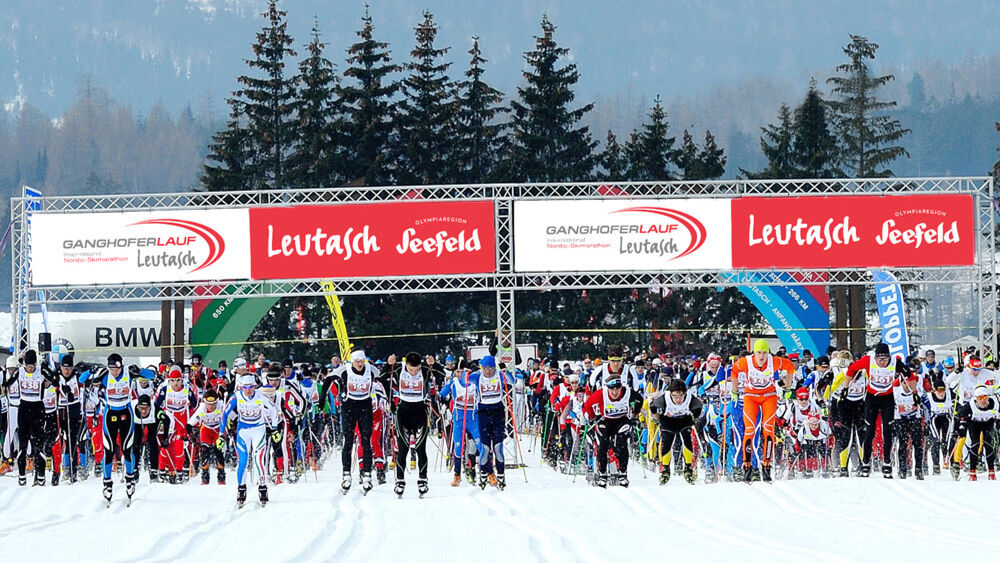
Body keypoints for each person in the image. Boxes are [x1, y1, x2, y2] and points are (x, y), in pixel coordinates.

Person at [730, 339, 795, 482]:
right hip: (751, 397)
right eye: (759, 353)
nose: (761, 357)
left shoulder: (774, 361)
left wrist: (788, 386)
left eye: (764, 353)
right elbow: (734, 370)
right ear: (754, 353)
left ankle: (766, 466)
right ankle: (747, 467)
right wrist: (735, 390)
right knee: (750, 430)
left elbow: (790, 366)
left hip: (768, 396)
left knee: (768, 429)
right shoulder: (746, 362)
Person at [95, 353, 155, 504]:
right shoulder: (105, 374)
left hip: (126, 414)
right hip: (109, 415)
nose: (114, 372)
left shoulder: (129, 372)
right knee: (108, 450)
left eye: (117, 369)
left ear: (121, 366)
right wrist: (90, 372)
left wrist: (140, 371)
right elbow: (83, 379)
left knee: (127, 449)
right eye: (112, 369)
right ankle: (107, 483)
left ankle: (130, 478)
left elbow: (152, 375)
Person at [846, 342, 911, 478]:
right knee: (869, 431)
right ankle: (865, 463)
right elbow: (851, 370)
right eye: (879, 359)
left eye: (885, 359)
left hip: (887, 398)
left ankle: (887, 463)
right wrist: (846, 388)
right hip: (871, 399)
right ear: (875, 357)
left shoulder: (895, 362)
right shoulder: (868, 361)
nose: (882, 362)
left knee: (887, 431)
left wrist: (913, 392)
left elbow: (909, 375)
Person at [323, 350, 378, 494]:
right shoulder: (344, 370)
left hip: (365, 407)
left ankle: (367, 474)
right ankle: (346, 474)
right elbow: (327, 380)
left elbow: (385, 377)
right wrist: (322, 401)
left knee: (366, 442)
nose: (360, 364)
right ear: (352, 361)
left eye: (362, 361)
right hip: (349, 407)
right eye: (357, 361)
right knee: (348, 441)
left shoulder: (371, 370)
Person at [221, 374, 279, 506]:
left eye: (251, 387)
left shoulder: (261, 395)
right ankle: (241, 489)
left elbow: (273, 411)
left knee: (259, 459)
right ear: (241, 387)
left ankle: (263, 488)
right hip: (243, 431)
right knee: (243, 461)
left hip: (259, 429)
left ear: (255, 386)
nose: (248, 390)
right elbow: (224, 414)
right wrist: (221, 433)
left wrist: (274, 428)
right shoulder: (237, 396)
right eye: (245, 387)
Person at [582, 370, 641, 488]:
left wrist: (635, 414)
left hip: (621, 420)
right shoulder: (600, 394)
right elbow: (586, 407)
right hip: (604, 420)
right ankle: (602, 474)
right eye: (612, 388)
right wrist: (591, 418)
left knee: (621, 442)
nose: (615, 392)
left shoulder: (628, 393)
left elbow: (640, 400)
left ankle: (622, 474)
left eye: (617, 388)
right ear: (607, 388)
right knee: (602, 444)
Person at [391, 352, 432, 497]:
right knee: (403, 449)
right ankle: (400, 480)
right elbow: (382, 376)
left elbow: (439, 373)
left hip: (420, 412)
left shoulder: (425, 370)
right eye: (411, 369)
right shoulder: (398, 370)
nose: (414, 372)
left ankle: (422, 479)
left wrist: (432, 363)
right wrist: (389, 363)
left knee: (421, 449)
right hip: (403, 413)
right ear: (406, 365)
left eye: (416, 370)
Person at [650, 378, 703, 485]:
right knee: (667, 441)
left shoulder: (690, 398)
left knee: (687, 440)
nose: (678, 399)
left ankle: (688, 469)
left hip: (684, 420)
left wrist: (695, 418)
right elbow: (652, 406)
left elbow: (699, 407)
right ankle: (665, 470)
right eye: (675, 396)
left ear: (685, 394)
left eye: (680, 396)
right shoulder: (664, 398)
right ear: (670, 393)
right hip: (668, 421)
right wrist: (656, 418)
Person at [439, 359, 483, 487]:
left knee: (478, 446)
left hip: (473, 420)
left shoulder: (474, 383)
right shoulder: (453, 383)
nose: (459, 374)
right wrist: (442, 403)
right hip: (459, 420)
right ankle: (457, 474)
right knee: (458, 448)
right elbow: (442, 395)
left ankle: (483, 471)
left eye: (462, 371)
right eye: (457, 371)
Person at [475, 355, 514, 490]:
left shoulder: (499, 375)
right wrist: (466, 370)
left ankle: (501, 474)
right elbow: (463, 380)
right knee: (485, 448)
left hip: (498, 411)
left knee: (497, 447)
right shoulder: (477, 376)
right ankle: (483, 473)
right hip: (483, 413)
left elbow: (512, 381)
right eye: (485, 368)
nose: (488, 371)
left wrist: (504, 370)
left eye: (490, 368)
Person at [15, 350, 53, 487]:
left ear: (35, 364)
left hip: (38, 408)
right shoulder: (20, 371)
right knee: (23, 444)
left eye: (32, 366)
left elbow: (54, 378)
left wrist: (49, 378)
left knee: (39, 444)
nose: (29, 368)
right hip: (24, 408)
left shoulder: (40, 370)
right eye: (27, 365)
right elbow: (8, 382)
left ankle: (41, 474)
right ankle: (21, 475)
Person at [154, 365, 198, 483]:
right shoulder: (165, 389)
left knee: (180, 446)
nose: (175, 383)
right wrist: (160, 418)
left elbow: (195, 405)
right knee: (165, 444)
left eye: (178, 380)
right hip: (169, 418)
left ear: (182, 379)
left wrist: (193, 423)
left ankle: (179, 471)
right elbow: (156, 406)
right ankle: (162, 469)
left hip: (182, 419)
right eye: (172, 380)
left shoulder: (187, 389)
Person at [953, 385, 998, 481]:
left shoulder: (995, 404)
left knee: (988, 443)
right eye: (980, 398)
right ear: (976, 398)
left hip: (988, 423)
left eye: (985, 397)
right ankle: (972, 471)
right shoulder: (970, 405)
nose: (983, 400)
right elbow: (959, 415)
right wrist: (959, 428)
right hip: (974, 424)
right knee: (975, 443)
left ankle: (991, 471)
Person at [189, 389, 226, 485]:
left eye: (214, 403)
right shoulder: (202, 409)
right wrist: (191, 435)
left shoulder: (221, 406)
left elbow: (231, 415)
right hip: (206, 429)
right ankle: (205, 477)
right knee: (204, 452)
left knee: (219, 451)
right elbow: (189, 424)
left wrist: (232, 426)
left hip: (218, 429)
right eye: (208, 404)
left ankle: (221, 476)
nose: (211, 406)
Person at [892, 373, 925, 479]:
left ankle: (919, 469)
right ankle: (902, 469)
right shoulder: (896, 392)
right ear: (901, 383)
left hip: (914, 418)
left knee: (918, 444)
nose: (907, 385)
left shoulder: (917, 391)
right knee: (903, 443)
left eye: (909, 382)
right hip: (900, 419)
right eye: (905, 383)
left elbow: (925, 404)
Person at [925, 375, 954, 476]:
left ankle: (950, 461)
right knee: (935, 440)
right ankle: (936, 465)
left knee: (948, 440)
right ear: (934, 390)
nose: (941, 393)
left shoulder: (950, 394)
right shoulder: (929, 396)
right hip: (934, 419)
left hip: (946, 419)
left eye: (943, 391)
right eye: (939, 391)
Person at [796, 413, 832, 478]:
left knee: (824, 453)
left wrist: (830, 444)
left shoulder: (824, 426)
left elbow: (829, 435)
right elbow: (799, 439)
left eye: (816, 424)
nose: (813, 426)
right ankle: (809, 470)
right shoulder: (804, 428)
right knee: (810, 454)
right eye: (811, 424)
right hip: (808, 442)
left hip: (821, 441)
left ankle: (825, 468)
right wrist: (798, 447)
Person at [1, 355, 20, 474]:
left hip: (22, 406)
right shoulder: (4, 375)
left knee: (25, 433)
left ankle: (29, 458)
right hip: (11, 407)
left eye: (13, 368)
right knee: (9, 433)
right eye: (10, 369)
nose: (11, 371)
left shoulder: (20, 374)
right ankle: (6, 460)